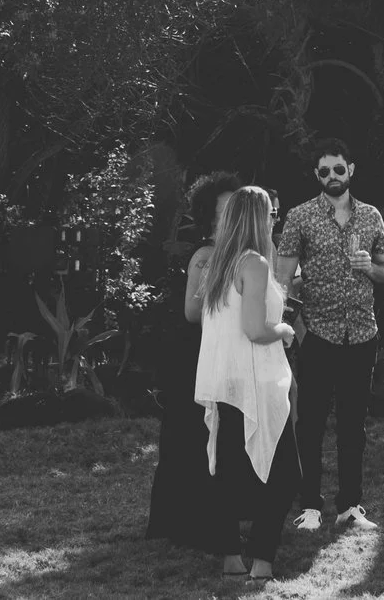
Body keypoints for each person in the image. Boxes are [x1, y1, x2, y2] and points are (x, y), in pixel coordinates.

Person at [274, 137, 384, 532]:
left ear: (351, 170)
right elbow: (282, 278)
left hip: (361, 334)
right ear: (316, 174)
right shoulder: (301, 216)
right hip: (319, 334)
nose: (332, 176)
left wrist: (369, 268)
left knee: (353, 425)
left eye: (338, 169)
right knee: (310, 423)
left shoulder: (371, 216)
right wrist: (292, 325)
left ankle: (350, 506)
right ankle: (310, 504)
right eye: (324, 171)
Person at [195, 185, 304, 580]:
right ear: (258, 218)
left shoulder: (219, 263)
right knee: (286, 474)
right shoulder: (254, 263)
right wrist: (286, 330)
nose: (275, 220)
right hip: (256, 382)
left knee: (229, 471)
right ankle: (261, 559)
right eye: (271, 214)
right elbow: (256, 330)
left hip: (227, 381)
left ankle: (230, 558)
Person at [147, 170, 239, 546]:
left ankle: (213, 519)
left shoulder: (238, 255)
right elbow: (192, 311)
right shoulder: (205, 256)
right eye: (226, 208)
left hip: (221, 354)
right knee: (190, 436)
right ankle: (182, 525)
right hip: (194, 355)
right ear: (210, 216)